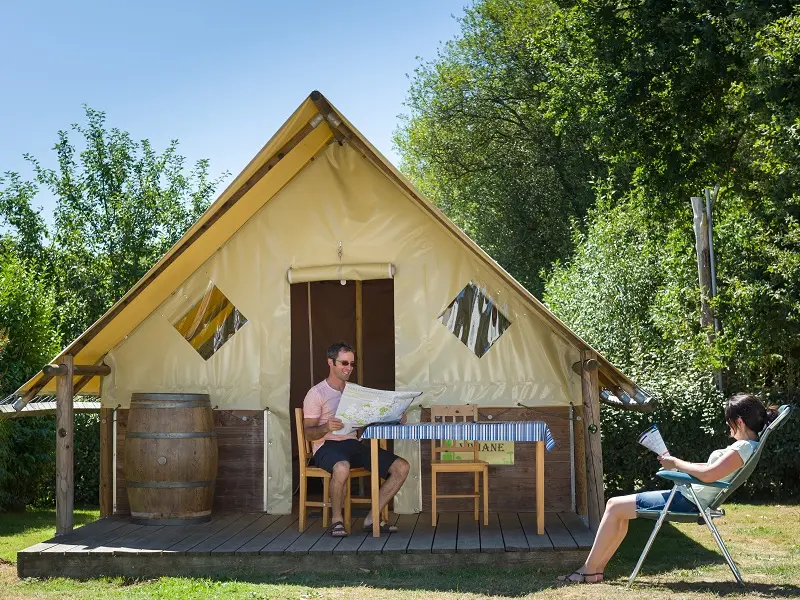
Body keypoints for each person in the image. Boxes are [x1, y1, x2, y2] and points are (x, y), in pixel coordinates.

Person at [559, 393, 778, 584]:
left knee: (614, 505)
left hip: (688, 500)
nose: (727, 427)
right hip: (691, 496)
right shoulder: (748, 447)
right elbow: (711, 469)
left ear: (738, 422)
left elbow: (710, 474)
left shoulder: (742, 447)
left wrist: (674, 465)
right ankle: (594, 570)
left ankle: (590, 570)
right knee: (617, 509)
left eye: (728, 422)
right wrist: (676, 461)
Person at [302, 341, 410, 537]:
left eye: (351, 364)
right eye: (344, 363)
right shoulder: (316, 393)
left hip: (353, 444)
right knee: (341, 467)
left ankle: (372, 518)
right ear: (330, 362)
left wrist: (395, 417)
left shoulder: (355, 390)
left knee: (401, 467)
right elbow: (308, 433)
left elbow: (371, 419)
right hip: (327, 446)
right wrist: (327, 426)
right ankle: (337, 521)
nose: (348, 368)